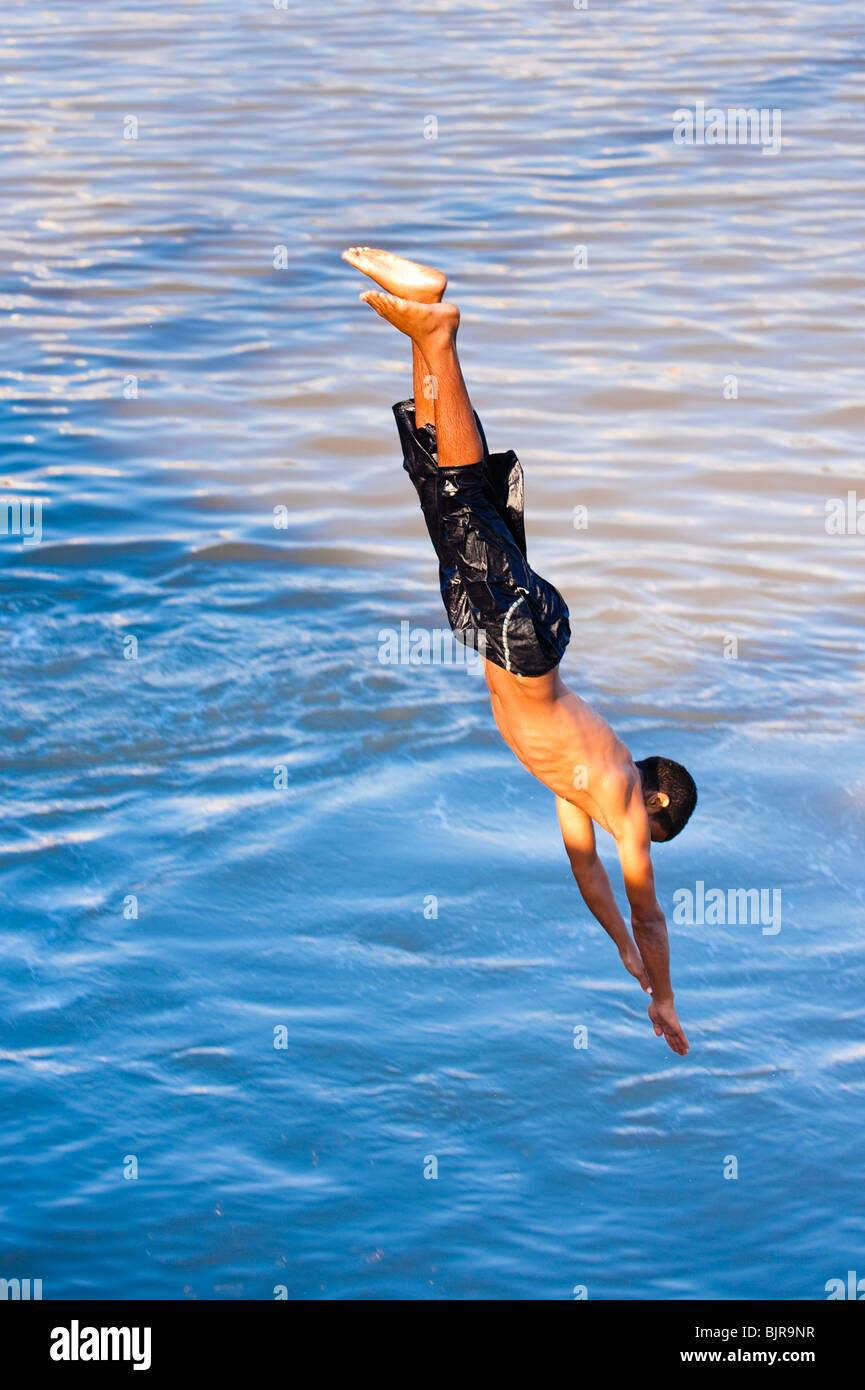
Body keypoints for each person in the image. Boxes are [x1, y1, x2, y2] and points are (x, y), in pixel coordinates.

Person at [343, 247, 697, 1056]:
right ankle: (440, 332)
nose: (635, 846)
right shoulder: (616, 800)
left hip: (518, 630)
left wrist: (621, 959)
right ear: (655, 807)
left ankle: (426, 325)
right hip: (523, 638)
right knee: (462, 495)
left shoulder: (581, 790)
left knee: (440, 482)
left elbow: (588, 881)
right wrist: (666, 994)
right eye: (650, 836)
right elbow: (644, 904)